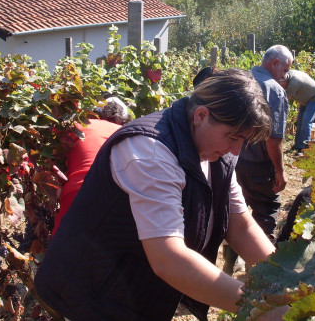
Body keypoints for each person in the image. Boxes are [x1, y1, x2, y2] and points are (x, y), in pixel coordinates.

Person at [35, 69, 288, 321]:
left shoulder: (219, 154)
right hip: (87, 298)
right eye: (233, 137)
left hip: (132, 296)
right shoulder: (151, 152)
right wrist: (261, 307)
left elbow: (240, 225)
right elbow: (168, 258)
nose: (237, 150)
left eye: (243, 141)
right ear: (201, 115)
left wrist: (287, 284)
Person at [235, 45, 293, 241]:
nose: (285, 76)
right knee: (266, 210)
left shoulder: (240, 79)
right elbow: (273, 138)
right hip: (258, 167)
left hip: (231, 160)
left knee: (234, 210)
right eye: (285, 70)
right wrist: (280, 170)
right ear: (275, 63)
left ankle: (231, 261)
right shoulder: (274, 90)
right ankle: (259, 267)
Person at [51, 96, 131, 236]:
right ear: (122, 120)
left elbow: (52, 151)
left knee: (61, 253)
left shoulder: (78, 127)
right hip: (116, 199)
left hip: (77, 193)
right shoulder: (127, 134)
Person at [281, 69, 315, 156]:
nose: (281, 87)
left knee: (306, 121)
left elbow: (283, 101)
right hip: (305, 99)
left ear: (285, 80)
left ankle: (304, 148)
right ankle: (297, 145)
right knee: (300, 122)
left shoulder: (294, 82)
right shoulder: (287, 76)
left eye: (281, 85)